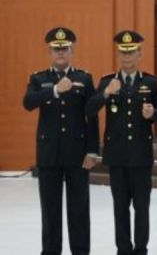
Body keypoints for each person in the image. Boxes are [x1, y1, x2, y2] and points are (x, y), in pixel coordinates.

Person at [23, 27, 100, 255]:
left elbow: (92, 115)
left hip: (77, 154)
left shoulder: (83, 78)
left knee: (79, 210)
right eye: (56, 49)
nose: (60, 52)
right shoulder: (39, 78)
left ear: (72, 51)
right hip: (49, 154)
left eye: (64, 48)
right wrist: (55, 90)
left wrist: (92, 150)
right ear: (49, 52)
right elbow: (28, 103)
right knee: (50, 211)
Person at [86, 30, 157, 255]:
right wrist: (105, 93)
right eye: (123, 52)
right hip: (117, 156)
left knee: (142, 208)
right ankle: (123, 250)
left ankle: (140, 249)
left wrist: (153, 113)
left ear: (140, 54)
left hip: (141, 156)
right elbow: (89, 109)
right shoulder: (107, 81)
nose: (127, 56)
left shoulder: (149, 81)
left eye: (131, 52)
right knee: (120, 208)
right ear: (118, 54)